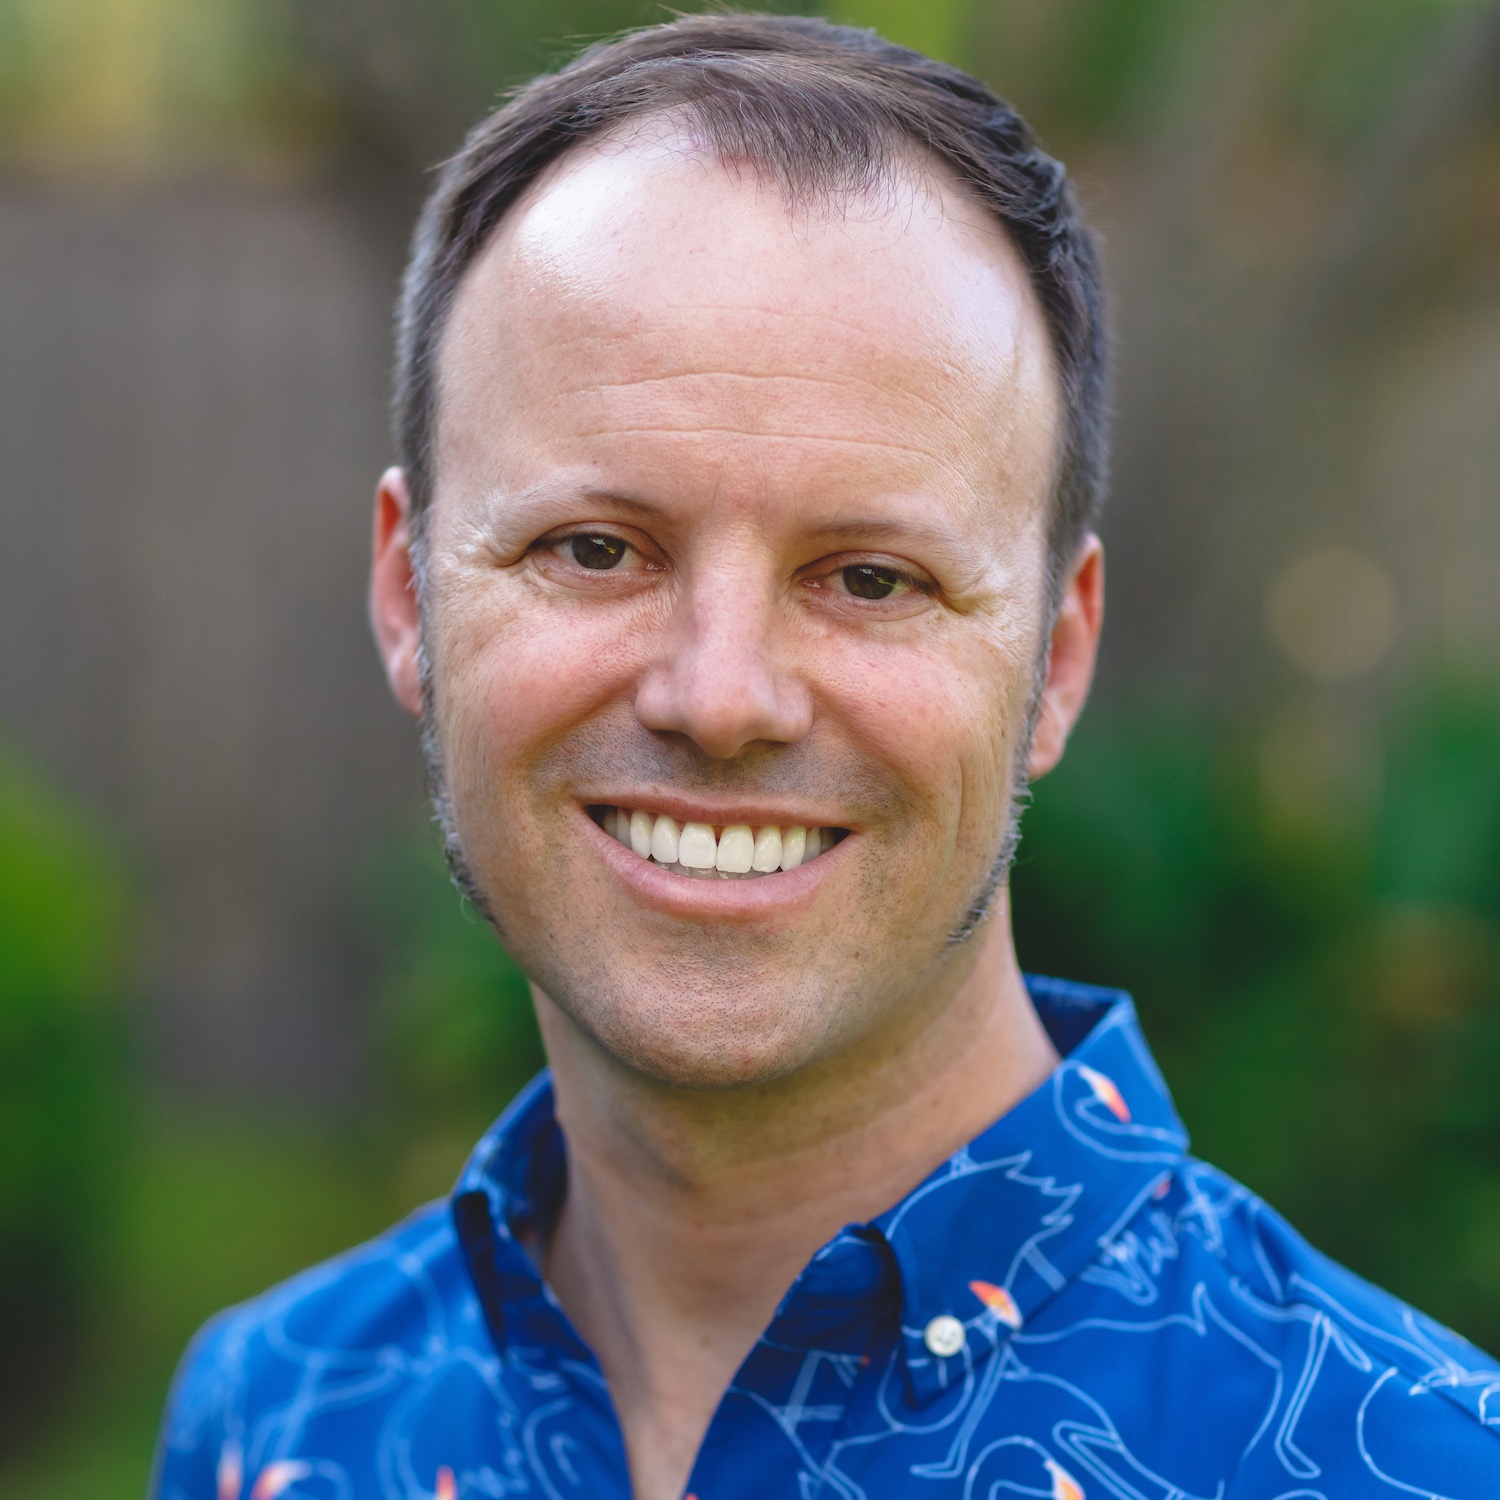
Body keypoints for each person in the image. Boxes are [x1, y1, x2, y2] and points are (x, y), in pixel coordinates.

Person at [151, 14, 1499, 1500]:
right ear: (414, 598)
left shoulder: (1415, 1465)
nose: (722, 697)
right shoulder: (277, 1423)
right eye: (596, 548)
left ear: (1057, 654)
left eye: (870, 579)